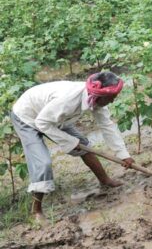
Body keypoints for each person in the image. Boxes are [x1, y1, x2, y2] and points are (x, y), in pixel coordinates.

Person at [10, 71, 135, 223]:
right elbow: (41, 123)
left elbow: (107, 126)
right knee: (43, 163)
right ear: (100, 95)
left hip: (53, 117)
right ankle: (36, 211)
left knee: (83, 145)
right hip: (27, 117)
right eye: (112, 98)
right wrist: (69, 141)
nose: (113, 101)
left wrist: (123, 154)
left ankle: (105, 180)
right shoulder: (68, 100)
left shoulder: (96, 99)